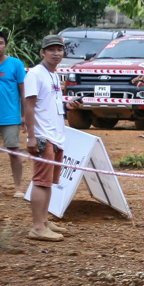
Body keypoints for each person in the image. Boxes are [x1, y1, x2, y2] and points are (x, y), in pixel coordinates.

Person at [23, 35, 83, 241]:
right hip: (43, 136)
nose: (56, 53)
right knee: (41, 181)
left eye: (59, 49)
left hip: (56, 135)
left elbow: (50, 104)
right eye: (51, 49)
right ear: (42, 52)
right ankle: (37, 227)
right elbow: (29, 107)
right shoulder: (35, 74)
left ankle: (44, 221)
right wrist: (31, 137)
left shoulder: (54, 75)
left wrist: (68, 105)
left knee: (49, 182)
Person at [0, 30, 26, 198]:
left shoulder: (16, 64)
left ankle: (18, 187)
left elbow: (23, 91)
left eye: (1, 43)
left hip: (10, 116)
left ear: (5, 45)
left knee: (14, 151)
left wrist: (24, 115)